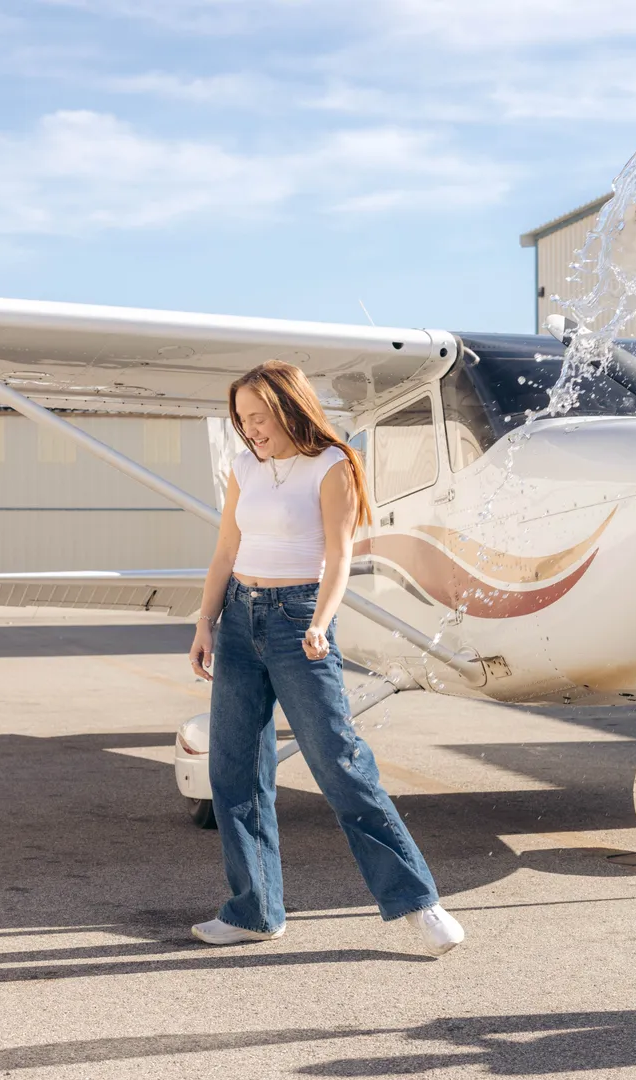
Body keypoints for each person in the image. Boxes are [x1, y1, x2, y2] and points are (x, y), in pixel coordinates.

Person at [187, 360, 464, 955]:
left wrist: (319, 622)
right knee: (233, 771)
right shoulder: (244, 468)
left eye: (259, 416)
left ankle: (418, 902)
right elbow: (225, 549)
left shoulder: (332, 465)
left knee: (338, 762)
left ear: (290, 407)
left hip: (297, 622)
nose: (251, 429)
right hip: (238, 619)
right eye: (242, 419)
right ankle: (254, 911)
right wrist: (206, 622)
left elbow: (339, 557)